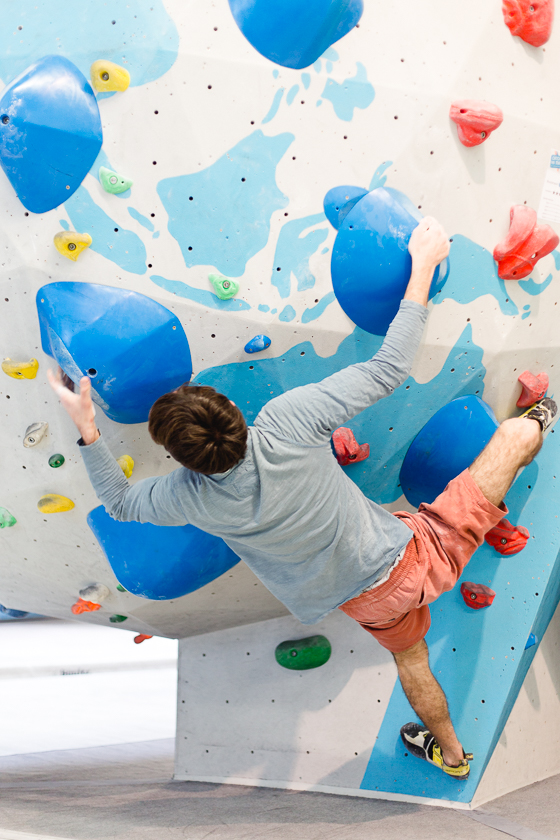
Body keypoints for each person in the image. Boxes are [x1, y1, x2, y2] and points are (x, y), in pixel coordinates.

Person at [48, 217, 556, 781]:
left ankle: (454, 757)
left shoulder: (190, 498)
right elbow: (388, 370)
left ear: (181, 458)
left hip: (368, 601)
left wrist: (89, 428)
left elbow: (119, 503)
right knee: (512, 436)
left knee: (411, 659)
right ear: (233, 413)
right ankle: (545, 415)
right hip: (420, 553)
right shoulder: (283, 423)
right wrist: (420, 269)